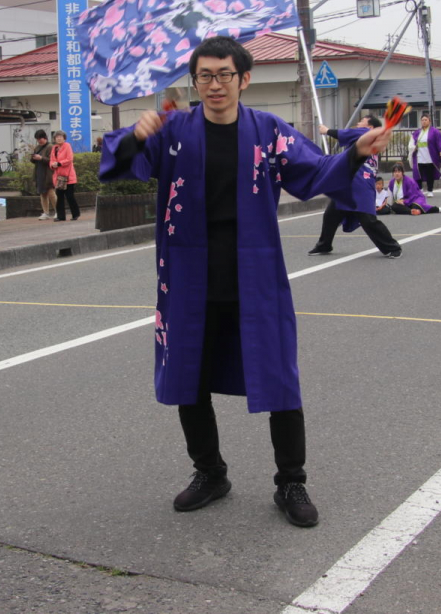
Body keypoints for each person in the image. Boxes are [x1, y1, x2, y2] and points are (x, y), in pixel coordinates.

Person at [100, 35, 391, 528]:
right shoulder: (174, 130)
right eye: (205, 76)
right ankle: (210, 473)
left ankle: (291, 481)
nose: (215, 85)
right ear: (195, 81)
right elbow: (120, 161)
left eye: (224, 75)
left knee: (279, 376)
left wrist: (357, 153)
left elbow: (316, 173)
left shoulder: (268, 130)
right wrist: (136, 136)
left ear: (244, 79)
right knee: (189, 377)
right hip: (188, 277)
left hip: (255, 275)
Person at [311, 117, 403, 259]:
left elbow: (345, 134)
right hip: (350, 181)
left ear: (370, 127)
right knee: (331, 214)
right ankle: (324, 244)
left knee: (367, 218)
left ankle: (392, 247)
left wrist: (327, 130)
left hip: (360, 181)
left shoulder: (366, 133)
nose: (359, 124)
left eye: (362, 121)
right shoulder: (367, 139)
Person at [408, 112, 441, 196]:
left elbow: (440, 142)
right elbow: (411, 143)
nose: (424, 121)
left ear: (429, 121)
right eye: (422, 120)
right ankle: (420, 190)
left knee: (430, 174)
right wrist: (413, 147)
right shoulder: (417, 132)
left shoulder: (435, 132)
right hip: (419, 156)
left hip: (430, 156)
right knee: (418, 173)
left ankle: (430, 190)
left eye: (425, 120)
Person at [50, 130, 80, 222]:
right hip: (58, 177)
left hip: (68, 176)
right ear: (54, 139)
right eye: (57, 137)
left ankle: (75, 214)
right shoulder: (54, 148)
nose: (59, 138)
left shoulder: (67, 146)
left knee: (70, 196)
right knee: (59, 197)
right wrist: (52, 164)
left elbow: (69, 159)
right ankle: (61, 216)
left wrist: (59, 163)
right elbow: (51, 160)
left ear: (64, 138)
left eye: (60, 137)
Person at [30, 130, 55, 220]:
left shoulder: (50, 147)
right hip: (39, 172)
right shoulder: (37, 148)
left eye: (40, 138)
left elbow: (52, 160)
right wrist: (33, 158)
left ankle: (58, 211)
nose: (39, 141)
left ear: (45, 137)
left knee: (51, 192)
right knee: (42, 194)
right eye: (37, 139)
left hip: (48, 173)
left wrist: (41, 158)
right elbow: (33, 161)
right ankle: (46, 212)